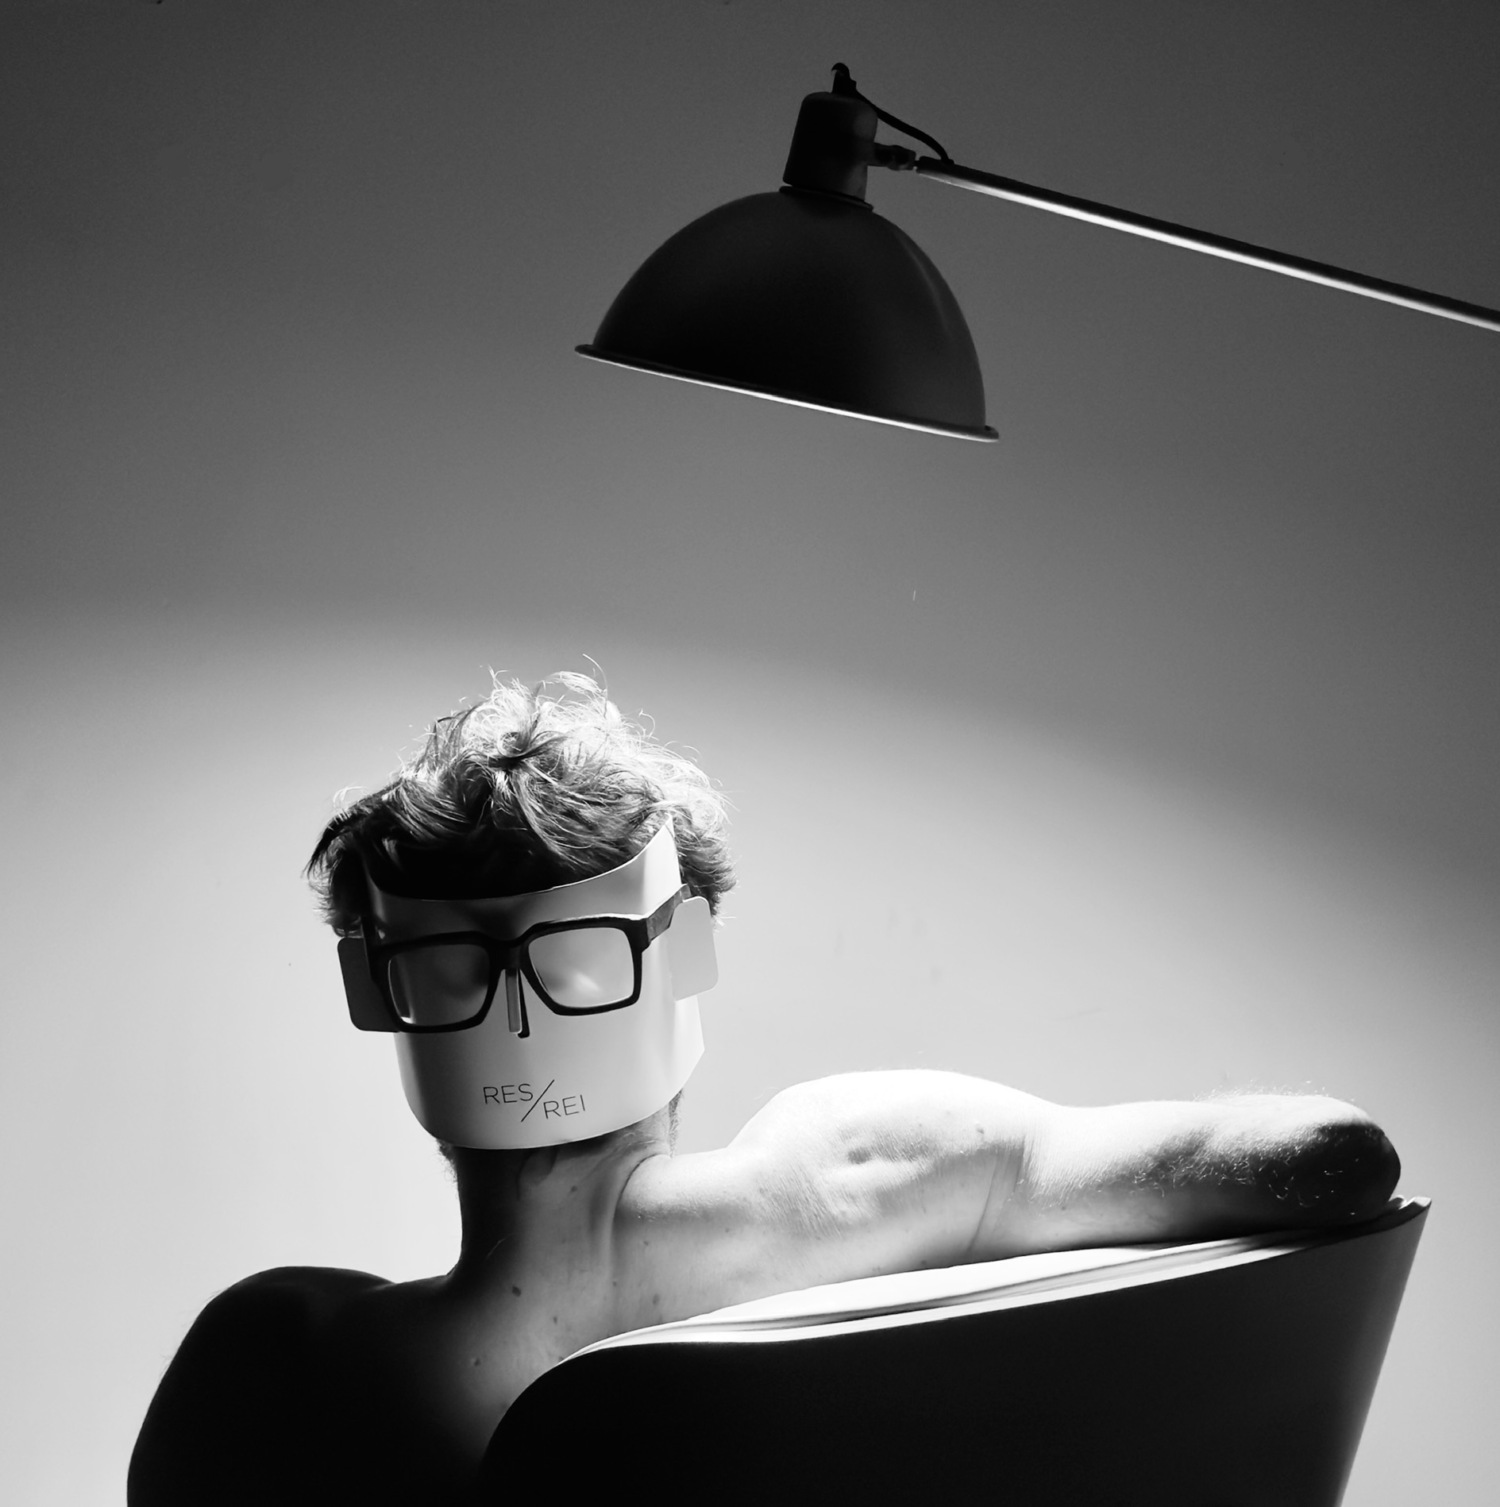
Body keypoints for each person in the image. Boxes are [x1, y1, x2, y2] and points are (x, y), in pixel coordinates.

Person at [128, 672, 1401, 1505]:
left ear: (381, 988)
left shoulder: (274, 1368)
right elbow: (1339, 1157)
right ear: (682, 949)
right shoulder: (866, 1176)